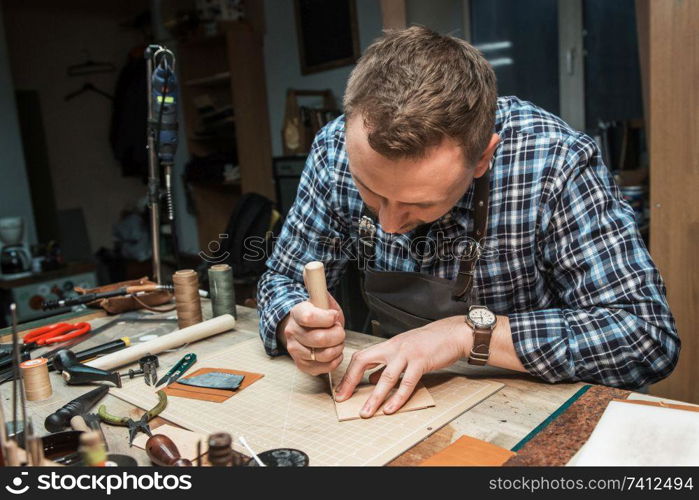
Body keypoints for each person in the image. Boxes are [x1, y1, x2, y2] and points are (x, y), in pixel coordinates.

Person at [257, 26, 679, 418]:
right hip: (394, 406)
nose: (387, 224)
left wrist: (470, 335)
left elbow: (645, 334)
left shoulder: (555, 163)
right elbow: (281, 278)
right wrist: (291, 323)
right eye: (370, 191)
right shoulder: (336, 148)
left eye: (418, 203)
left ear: (483, 158)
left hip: (523, 406)